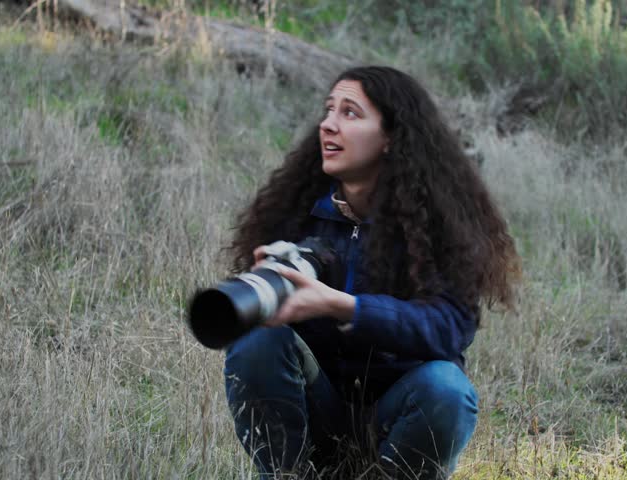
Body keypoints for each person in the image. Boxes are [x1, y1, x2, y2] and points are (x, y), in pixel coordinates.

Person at [223, 66, 521, 479]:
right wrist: (268, 291)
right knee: (255, 339)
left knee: (447, 389)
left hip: (397, 419)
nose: (328, 124)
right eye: (329, 110)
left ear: (391, 137)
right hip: (318, 411)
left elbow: (450, 328)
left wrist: (347, 307)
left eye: (350, 112)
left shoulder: (435, 224)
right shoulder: (297, 209)